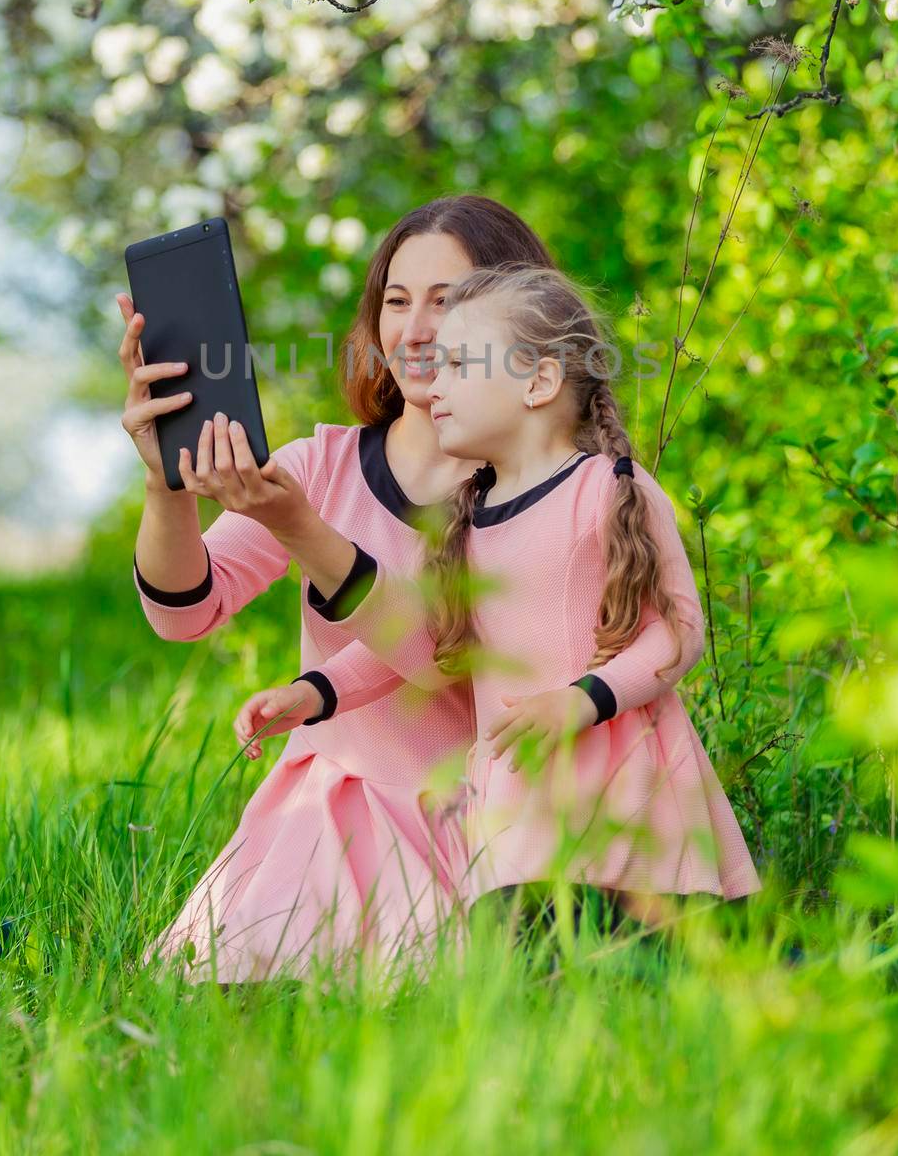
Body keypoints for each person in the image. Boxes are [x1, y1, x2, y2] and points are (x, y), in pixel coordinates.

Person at [241, 262, 762, 944]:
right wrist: (312, 693)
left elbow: (677, 633)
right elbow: (422, 639)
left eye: (460, 363)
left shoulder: (606, 490)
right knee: (539, 977)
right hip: (519, 806)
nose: (436, 383)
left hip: (624, 789)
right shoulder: (466, 516)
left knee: (661, 966)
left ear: (539, 382)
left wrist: (584, 698)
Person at [119, 196, 558, 987]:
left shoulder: (538, 483)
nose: (415, 329)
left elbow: (442, 657)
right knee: (240, 993)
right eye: (396, 301)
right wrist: (166, 486)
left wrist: (302, 531)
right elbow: (185, 614)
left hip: (477, 812)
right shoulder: (319, 466)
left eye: (447, 301)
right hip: (325, 815)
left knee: (443, 995)